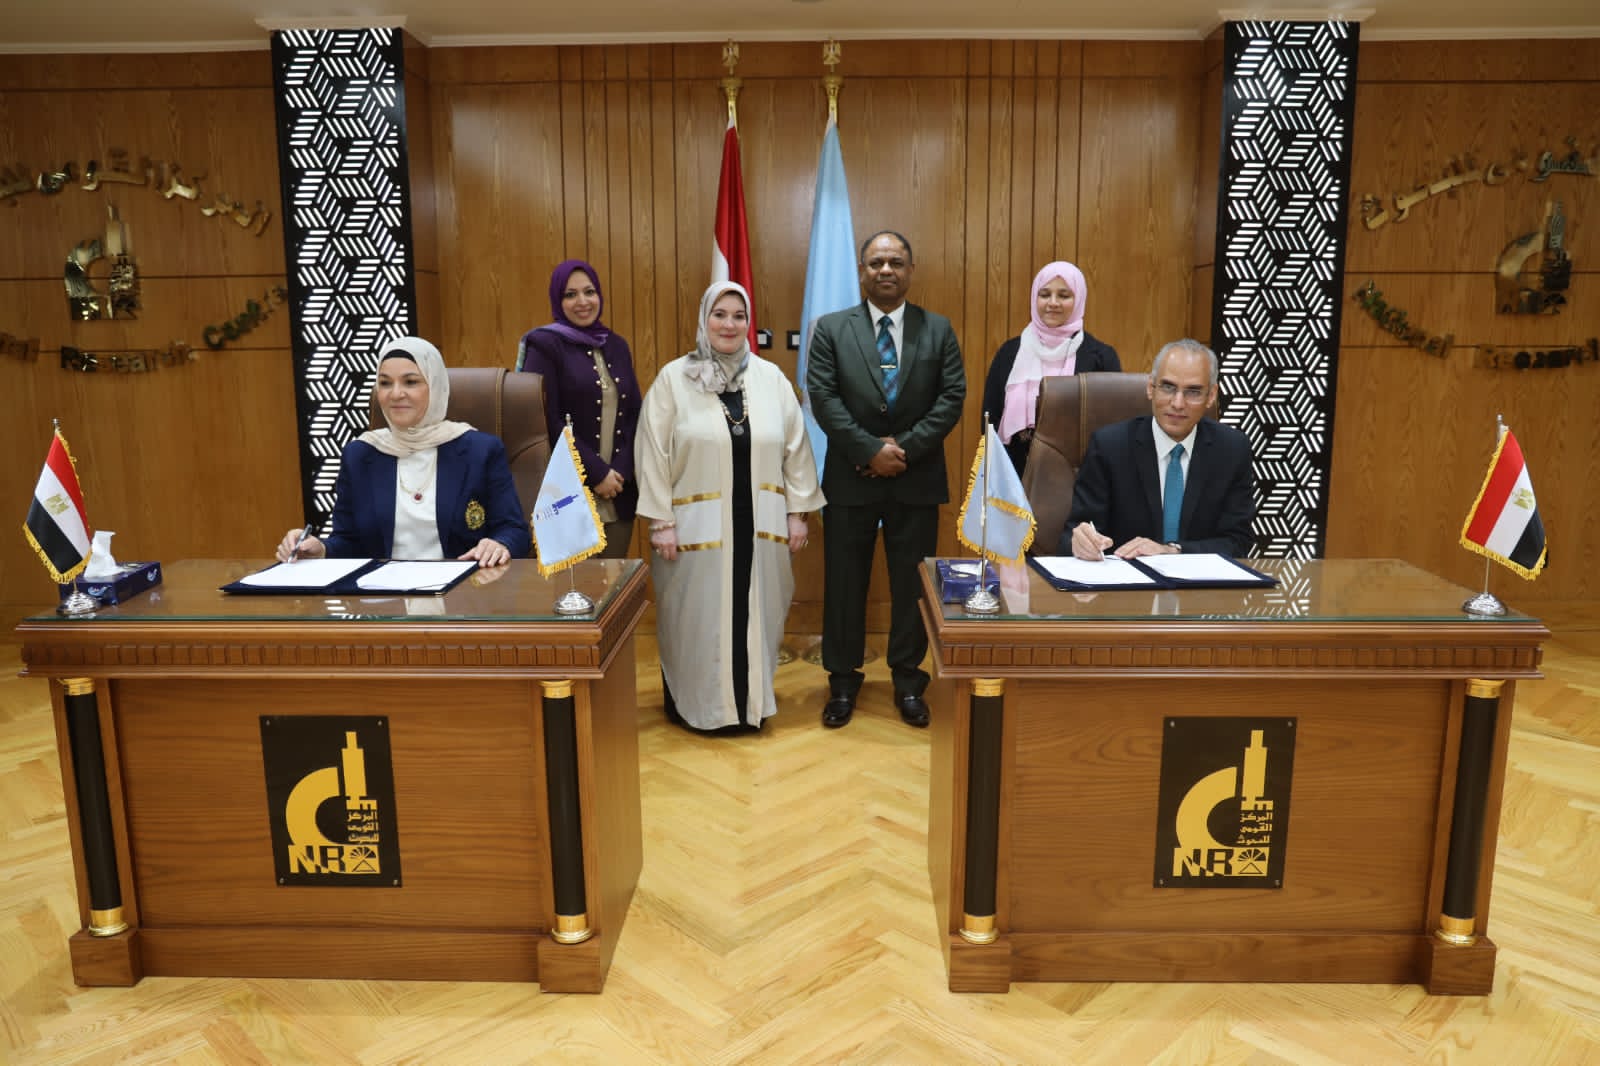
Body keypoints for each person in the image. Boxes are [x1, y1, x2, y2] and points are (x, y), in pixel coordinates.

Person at [636, 281, 825, 735]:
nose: (729, 324)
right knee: (696, 620)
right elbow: (652, 452)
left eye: (738, 316)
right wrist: (661, 522)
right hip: (693, 531)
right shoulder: (673, 380)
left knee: (757, 616)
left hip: (761, 528)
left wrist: (798, 513)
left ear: (748, 323)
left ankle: (750, 706)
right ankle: (699, 708)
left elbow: (796, 449)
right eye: (719, 314)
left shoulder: (771, 379)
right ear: (704, 320)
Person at [806, 230, 966, 729]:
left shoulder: (937, 329)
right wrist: (869, 451)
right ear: (862, 271)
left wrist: (904, 450)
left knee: (910, 587)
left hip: (915, 479)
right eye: (876, 262)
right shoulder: (831, 329)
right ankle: (842, 681)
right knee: (844, 583)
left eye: (895, 261)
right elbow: (823, 397)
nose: (886, 270)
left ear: (910, 270)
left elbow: (951, 397)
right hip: (850, 478)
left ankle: (908, 681)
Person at [275, 336, 531, 565]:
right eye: (385, 383)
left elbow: (515, 531)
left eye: (410, 382)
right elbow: (349, 541)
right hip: (383, 596)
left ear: (435, 386)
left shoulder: (480, 451)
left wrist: (500, 544)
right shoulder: (361, 454)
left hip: (463, 593)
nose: (396, 394)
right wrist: (320, 549)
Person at [1061, 338, 1255, 560]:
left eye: (1193, 392)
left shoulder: (1231, 450)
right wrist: (1081, 543)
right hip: (1126, 578)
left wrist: (1172, 551)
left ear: (1211, 395)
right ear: (1150, 387)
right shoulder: (1109, 447)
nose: (1178, 403)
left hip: (1199, 581)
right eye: (1168, 387)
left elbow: (1238, 541)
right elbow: (1075, 533)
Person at [516, 259, 643, 557]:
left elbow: (635, 415)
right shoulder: (544, 345)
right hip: (568, 493)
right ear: (557, 300)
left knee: (615, 581)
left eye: (589, 292)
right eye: (570, 295)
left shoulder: (617, 345)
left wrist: (620, 472)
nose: (582, 301)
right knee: (576, 584)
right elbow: (544, 418)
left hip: (617, 492)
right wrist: (596, 473)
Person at [983, 260, 1120, 476]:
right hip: (1013, 476)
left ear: (1079, 300)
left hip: (1079, 477)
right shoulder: (1010, 353)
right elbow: (990, 417)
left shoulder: (1101, 358)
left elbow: (1111, 427)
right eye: (1045, 294)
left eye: (1064, 296)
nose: (1053, 303)